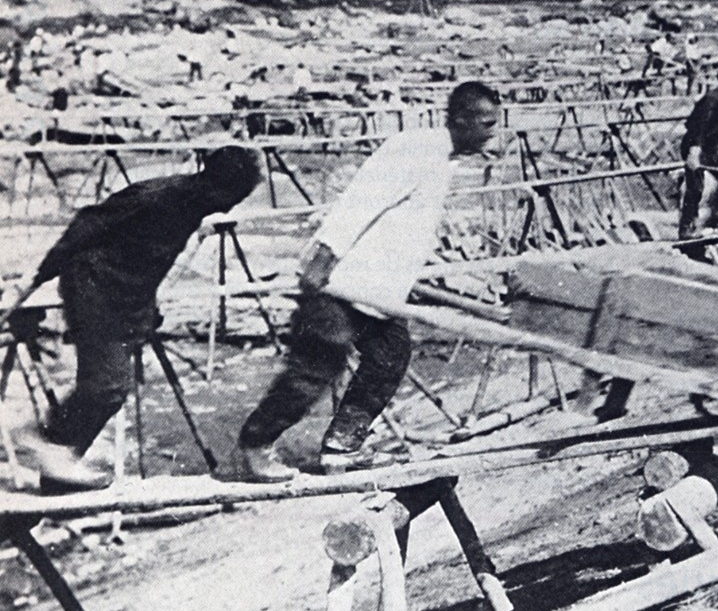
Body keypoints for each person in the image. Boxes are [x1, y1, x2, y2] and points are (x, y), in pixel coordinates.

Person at [237, 81, 501, 480]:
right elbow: (361, 201)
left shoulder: (443, 159)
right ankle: (256, 443)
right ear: (461, 119)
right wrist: (325, 255)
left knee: (390, 355)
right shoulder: (416, 149)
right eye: (487, 123)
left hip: (374, 291)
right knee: (315, 370)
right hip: (340, 283)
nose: (491, 133)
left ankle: (341, 448)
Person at [16, 146, 262, 490]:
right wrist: (41, 275)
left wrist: (146, 308)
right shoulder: (159, 196)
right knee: (108, 386)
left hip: (125, 294)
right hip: (94, 286)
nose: (233, 206)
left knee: (110, 387)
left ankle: (57, 471)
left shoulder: (193, 205)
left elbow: (148, 257)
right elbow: (87, 224)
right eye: (237, 196)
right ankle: (48, 441)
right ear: (223, 188)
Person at [677, 58, 718, 240]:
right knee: (695, 187)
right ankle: (686, 227)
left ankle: (715, 214)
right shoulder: (711, 99)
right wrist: (694, 152)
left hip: (711, 147)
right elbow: (697, 127)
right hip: (695, 146)